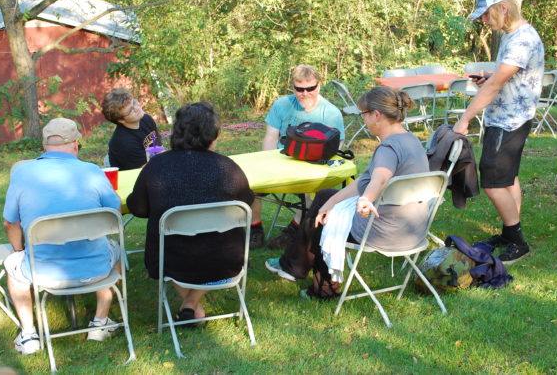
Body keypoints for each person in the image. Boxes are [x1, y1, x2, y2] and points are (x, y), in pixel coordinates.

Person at [265, 86, 429, 298]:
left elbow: (380, 178)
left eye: (364, 115)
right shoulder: (411, 140)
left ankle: (322, 288)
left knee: (326, 220)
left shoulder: (388, 149)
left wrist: (366, 199)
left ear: (376, 115)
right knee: (325, 198)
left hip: (383, 232)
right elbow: (367, 178)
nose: (364, 120)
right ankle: (293, 264)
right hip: (413, 230)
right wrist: (330, 203)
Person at [126, 102, 254, 324]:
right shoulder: (228, 167)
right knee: (207, 250)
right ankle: (191, 304)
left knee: (175, 248)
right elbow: (246, 204)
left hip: (171, 261)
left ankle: (191, 305)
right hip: (225, 260)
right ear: (213, 134)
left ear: (176, 131)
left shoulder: (156, 167)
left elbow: (138, 209)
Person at [3, 118, 122, 355]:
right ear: (75, 144)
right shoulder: (92, 171)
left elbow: (10, 223)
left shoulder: (22, 173)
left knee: (13, 266)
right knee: (116, 249)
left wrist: (19, 250)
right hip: (96, 269)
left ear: (44, 146)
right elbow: (114, 214)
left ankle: (29, 335)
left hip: (41, 273)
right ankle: (100, 322)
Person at [453, 0, 544, 264]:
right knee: (508, 177)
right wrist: (489, 75)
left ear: (503, 8)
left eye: (486, 14)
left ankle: (517, 242)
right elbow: (503, 76)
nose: (483, 20)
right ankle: (509, 233)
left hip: (509, 120)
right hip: (511, 116)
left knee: (493, 181)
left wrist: (465, 118)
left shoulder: (521, 40)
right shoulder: (512, 34)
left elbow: (495, 86)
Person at [250, 64, 345, 249]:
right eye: (299, 89)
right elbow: (271, 137)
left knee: (315, 195)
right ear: (292, 87)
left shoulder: (331, 113)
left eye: (311, 88)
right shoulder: (281, 105)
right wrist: (268, 164)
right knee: (247, 186)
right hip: (280, 163)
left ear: (319, 85)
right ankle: (255, 229)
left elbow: (336, 148)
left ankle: (293, 230)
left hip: (312, 167)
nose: (305, 94)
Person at [101, 88, 161, 170]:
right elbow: (145, 170)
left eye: (134, 103)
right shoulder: (124, 142)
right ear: (121, 120)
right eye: (130, 110)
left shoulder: (146, 119)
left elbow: (158, 148)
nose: (137, 108)